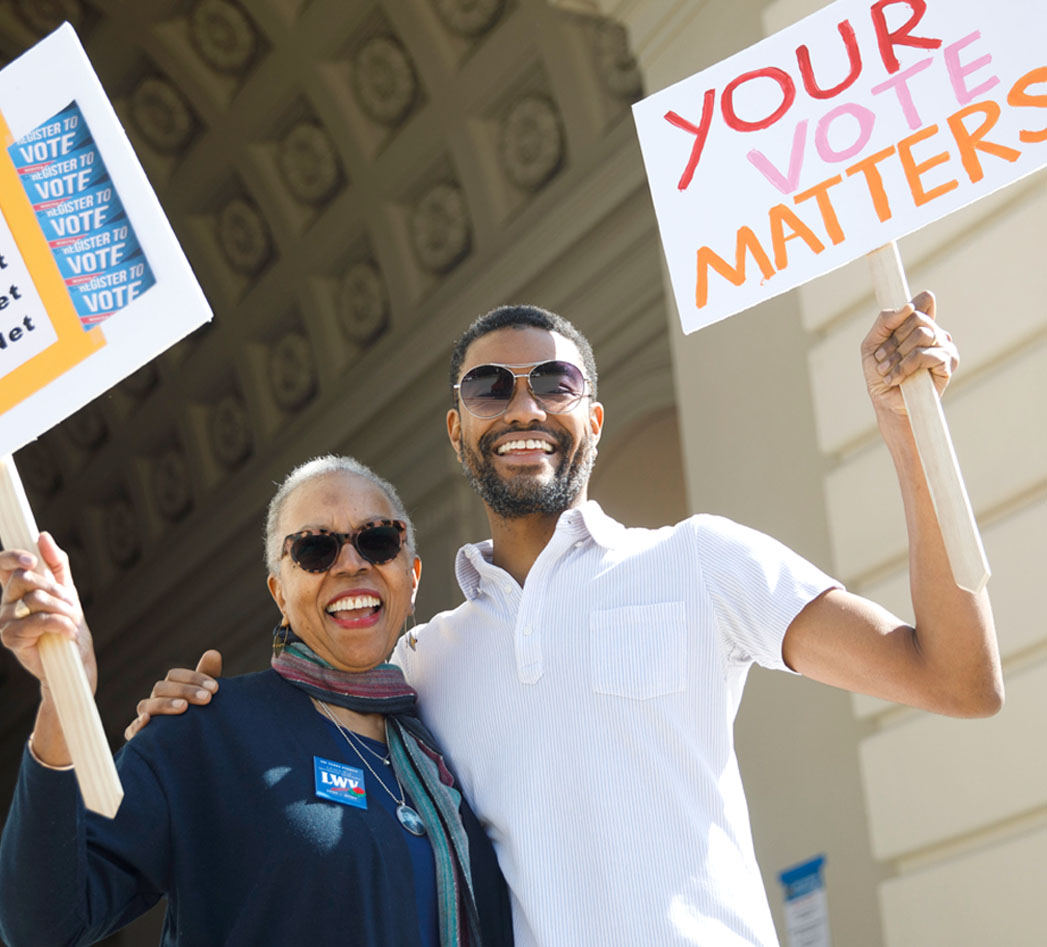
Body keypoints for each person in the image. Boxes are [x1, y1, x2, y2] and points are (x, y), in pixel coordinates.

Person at [129, 293, 1002, 946]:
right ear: (456, 427)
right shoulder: (421, 662)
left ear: (590, 417)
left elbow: (956, 679)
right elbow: (296, 745)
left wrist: (907, 430)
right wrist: (194, 719)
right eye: (489, 386)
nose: (523, 405)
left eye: (555, 381)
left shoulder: (702, 561)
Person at [0, 457, 513, 947]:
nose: (351, 564)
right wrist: (63, 694)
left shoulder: (449, 746)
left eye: (378, 541)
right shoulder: (205, 732)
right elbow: (43, 924)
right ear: (280, 594)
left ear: (412, 576)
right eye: (315, 550)